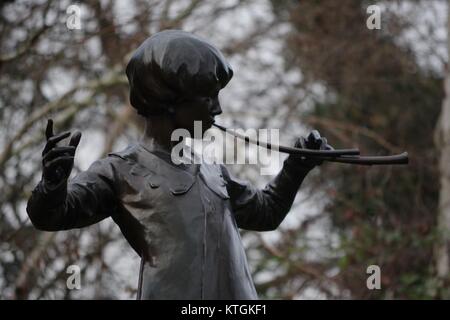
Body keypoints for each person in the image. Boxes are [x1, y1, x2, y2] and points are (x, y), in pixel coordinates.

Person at [26, 30, 333, 299]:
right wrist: (52, 186)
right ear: (170, 100)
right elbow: (52, 216)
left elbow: (266, 212)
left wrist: (297, 165)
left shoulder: (212, 171)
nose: (219, 108)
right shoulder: (121, 171)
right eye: (208, 97)